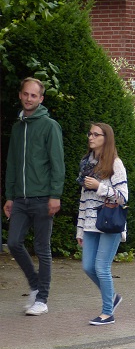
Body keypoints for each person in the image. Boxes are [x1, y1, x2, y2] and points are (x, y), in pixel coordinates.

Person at [3, 77, 65, 316]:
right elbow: (12, 164)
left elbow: (57, 163)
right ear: (20, 95)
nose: (29, 99)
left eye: (34, 95)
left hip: (43, 198)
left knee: (42, 248)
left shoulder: (50, 126)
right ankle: (35, 284)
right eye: (26, 94)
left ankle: (42, 299)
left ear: (41, 99)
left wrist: (55, 195)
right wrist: (10, 196)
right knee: (13, 243)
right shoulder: (17, 128)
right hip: (20, 199)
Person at [76, 123, 128, 325]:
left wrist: (100, 186)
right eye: (90, 133)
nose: (91, 137)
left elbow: (123, 198)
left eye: (96, 134)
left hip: (109, 223)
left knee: (101, 267)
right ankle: (112, 297)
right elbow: (83, 200)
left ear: (106, 138)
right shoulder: (86, 164)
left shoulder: (115, 164)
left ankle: (108, 313)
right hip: (90, 224)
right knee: (88, 267)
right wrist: (80, 230)